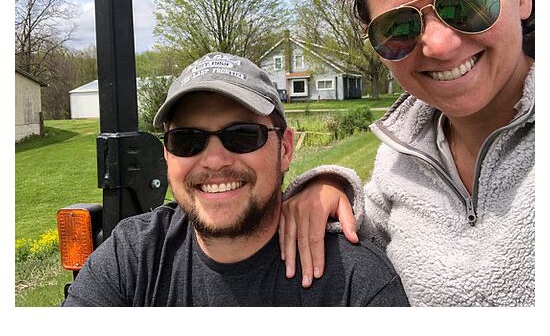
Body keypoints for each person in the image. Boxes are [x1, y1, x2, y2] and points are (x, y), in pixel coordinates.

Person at [280, 0, 535, 306]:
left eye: (465, 3)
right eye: (398, 27)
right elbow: (368, 233)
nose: (439, 45)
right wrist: (329, 187)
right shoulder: (399, 160)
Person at [62, 52, 409, 306]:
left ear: (285, 149)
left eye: (242, 136)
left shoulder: (354, 282)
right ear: (167, 155)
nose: (214, 160)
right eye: (187, 140)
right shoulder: (132, 258)